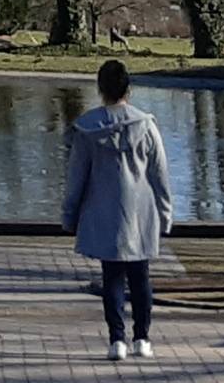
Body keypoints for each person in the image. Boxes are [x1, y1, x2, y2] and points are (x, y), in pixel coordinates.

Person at [62, 59, 175, 362]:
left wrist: (69, 214)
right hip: (141, 212)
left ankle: (116, 340)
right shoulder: (146, 125)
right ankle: (142, 338)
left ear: (101, 89)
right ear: (129, 89)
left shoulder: (87, 128)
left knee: (111, 276)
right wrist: (165, 213)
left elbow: (76, 176)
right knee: (140, 277)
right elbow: (159, 174)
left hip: (104, 211)